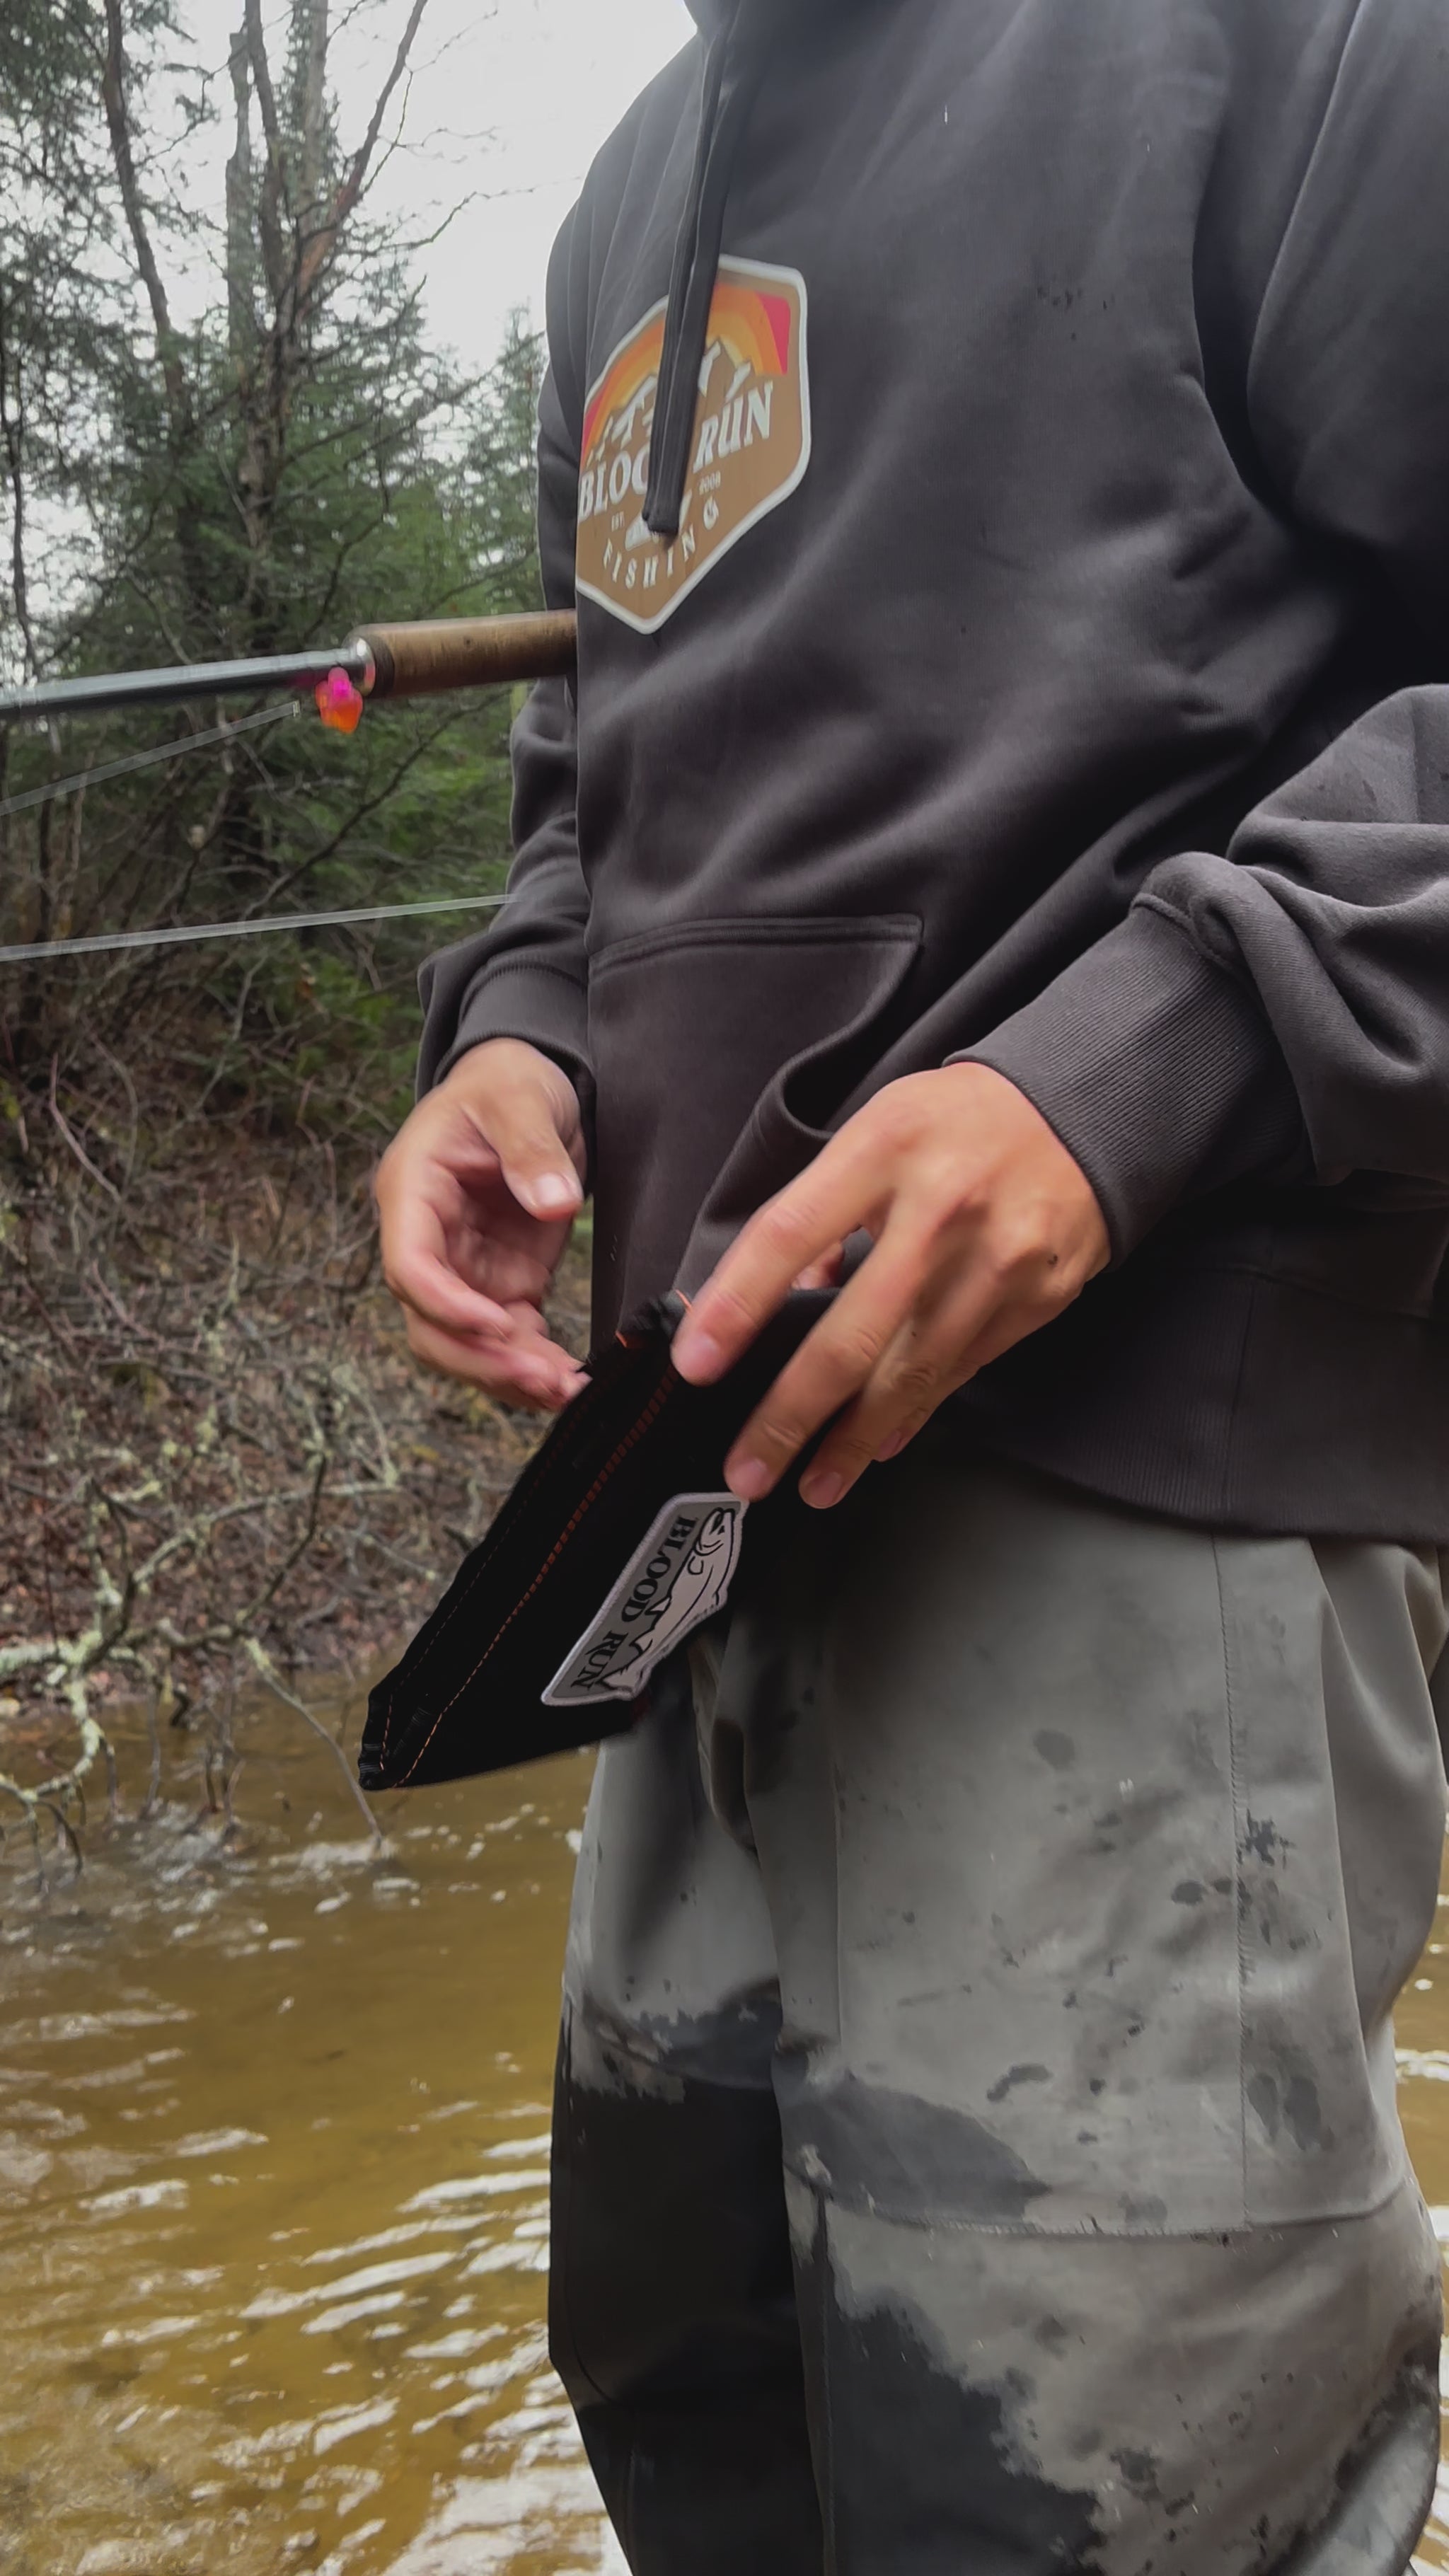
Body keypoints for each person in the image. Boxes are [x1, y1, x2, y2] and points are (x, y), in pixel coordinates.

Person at [373, 0, 1449, 2565]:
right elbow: (588, 800)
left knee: (1080, 2508)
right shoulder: (626, 191)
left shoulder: (1312, 49)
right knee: (687, 2384)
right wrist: (512, 1042)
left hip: (1141, 1494)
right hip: (695, 1514)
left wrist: (1145, 1054)